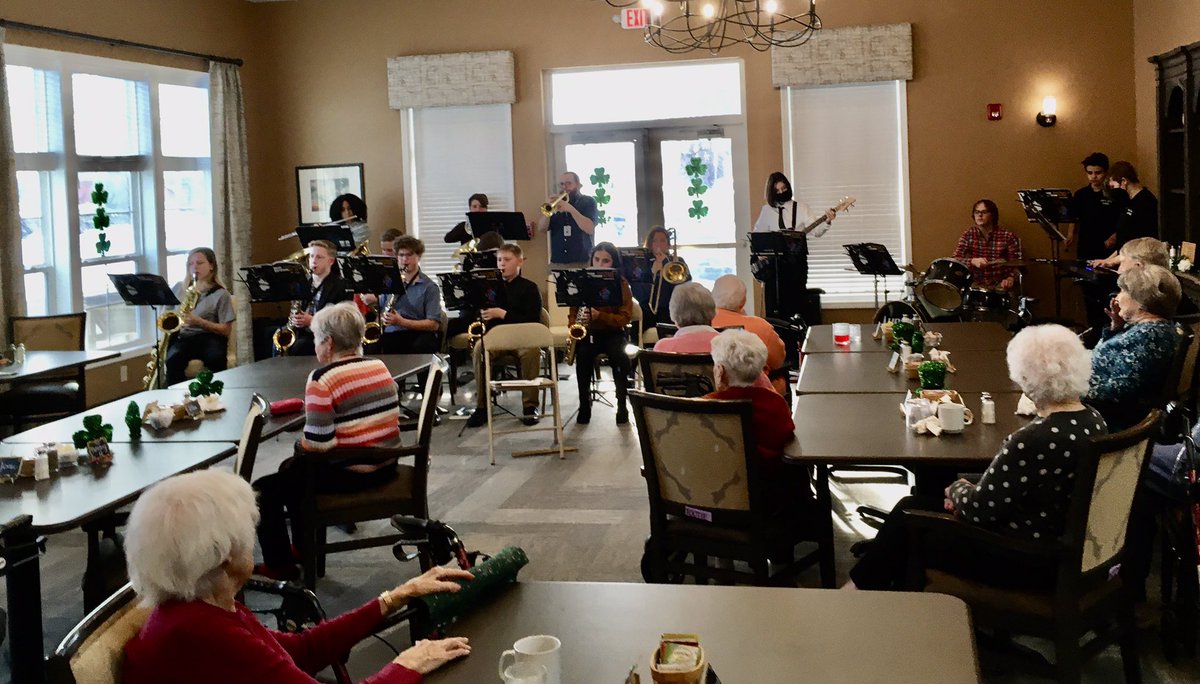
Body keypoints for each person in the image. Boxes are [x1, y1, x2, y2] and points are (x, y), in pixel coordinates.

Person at [123, 469, 471, 683]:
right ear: (226, 555)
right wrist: (408, 664)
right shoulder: (201, 632)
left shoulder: (200, 605)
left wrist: (395, 597)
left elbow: (301, 651)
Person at [846, 324, 1105, 591]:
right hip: (1064, 546)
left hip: (1026, 559)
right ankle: (874, 588)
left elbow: (978, 510)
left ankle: (863, 596)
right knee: (911, 507)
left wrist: (956, 489)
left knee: (909, 521)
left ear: (1027, 378)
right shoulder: (1094, 421)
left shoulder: (1034, 439)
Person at [254, 303, 402, 579]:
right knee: (291, 470)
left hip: (353, 473)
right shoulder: (379, 366)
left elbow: (319, 447)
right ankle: (302, 547)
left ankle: (280, 566)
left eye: (316, 338)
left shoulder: (322, 379)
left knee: (263, 490)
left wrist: (300, 444)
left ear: (329, 342)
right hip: (387, 464)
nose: (314, 345)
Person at [706, 329, 810, 515]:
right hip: (769, 500)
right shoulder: (776, 404)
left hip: (716, 499)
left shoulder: (704, 407)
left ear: (720, 372)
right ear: (763, 369)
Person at [1086, 264, 1180, 432]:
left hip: (1108, 420)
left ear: (1141, 300)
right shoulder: (1151, 328)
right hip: (1098, 407)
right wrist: (1116, 327)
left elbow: (1120, 391)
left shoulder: (1150, 336)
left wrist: (1069, 389)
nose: (1117, 297)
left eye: (1123, 291)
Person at [466, 243, 545, 428]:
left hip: (523, 338)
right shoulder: (489, 287)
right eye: (499, 260)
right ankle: (482, 407)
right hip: (497, 338)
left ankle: (530, 406)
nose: (502, 264)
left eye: (507, 260)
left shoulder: (530, 288)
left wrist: (502, 314)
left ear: (519, 262)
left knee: (532, 353)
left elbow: (533, 320)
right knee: (479, 349)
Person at [751, 172, 836, 319]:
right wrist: (761, 253)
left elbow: (816, 231)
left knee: (796, 305)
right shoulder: (767, 211)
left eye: (784, 189)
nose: (781, 193)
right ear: (771, 193)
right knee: (775, 310)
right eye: (777, 191)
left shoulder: (802, 208)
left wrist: (827, 221)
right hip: (775, 270)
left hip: (796, 266)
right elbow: (758, 237)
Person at [571, 242, 633, 425]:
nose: (599, 264)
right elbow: (573, 310)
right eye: (596, 259)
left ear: (613, 264)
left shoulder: (621, 283)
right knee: (582, 356)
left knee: (620, 357)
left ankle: (622, 406)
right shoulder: (582, 281)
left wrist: (601, 316)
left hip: (613, 332)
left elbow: (624, 318)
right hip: (588, 331)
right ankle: (584, 406)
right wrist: (573, 327)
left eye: (605, 261)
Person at [1068, 153, 1128, 332]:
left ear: (1106, 172)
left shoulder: (1116, 194)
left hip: (1109, 251)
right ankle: (1093, 329)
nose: (1094, 177)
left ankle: (1110, 328)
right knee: (1089, 294)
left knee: (1109, 292)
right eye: (1090, 173)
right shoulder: (1081, 194)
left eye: (1098, 173)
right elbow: (1074, 218)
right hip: (1086, 247)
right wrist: (1070, 235)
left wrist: (1115, 237)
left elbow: (1125, 221)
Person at [165, 247, 235, 385]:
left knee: (215, 358)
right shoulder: (179, 288)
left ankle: (216, 396)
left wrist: (199, 322)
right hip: (184, 337)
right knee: (173, 360)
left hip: (209, 337)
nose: (194, 267)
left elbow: (226, 330)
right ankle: (177, 399)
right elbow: (167, 313)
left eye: (199, 263)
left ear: (211, 266)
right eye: (190, 264)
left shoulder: (221, 294)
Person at [274, 239, 354, 357]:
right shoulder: (303, 282)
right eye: (311, 256)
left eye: (319, 257)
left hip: (325, 336)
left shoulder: (341, 286)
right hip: (302, 332)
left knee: (300, 347)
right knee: (273, 337)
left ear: (331, 261)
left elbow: (341, 321)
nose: (313, 261)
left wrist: (313, 320)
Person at [711, 274, 787, 395]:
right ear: (743, 302)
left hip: (708, 393)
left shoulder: (704, 323)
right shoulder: (760, 326)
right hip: (754, 395)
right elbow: (778, 360)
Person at [378, 236, 442, 355]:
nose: (404, 259)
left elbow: (434, 325)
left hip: (418, 334)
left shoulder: (429, 287)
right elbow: (381, 310)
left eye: (409, 255)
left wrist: (401, 322)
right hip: (392, 333)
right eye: (401, 255)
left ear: (418, 257)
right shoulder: (389, 282)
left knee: (423, 345)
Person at [630, 226, 691, 337]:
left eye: (663, 240)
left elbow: (686, 284)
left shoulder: (677, 261)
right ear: (650, 244)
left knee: (668, 328)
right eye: (655, 241)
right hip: (648, 308)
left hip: (670, 307)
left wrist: (667, 263)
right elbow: (638, 288)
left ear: (668, 244)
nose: (658, 244)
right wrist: (652, 272)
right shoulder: (642, 262)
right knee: (635, 328)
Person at [952, 199, 1022, 291]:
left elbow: (1017, 263)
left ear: (992, 215)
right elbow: (955, 259)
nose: (980, 215)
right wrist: (972, 261)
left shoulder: (1007, 236)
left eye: (984, 212)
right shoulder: (968, 234)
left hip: (1001, 284)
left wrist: (1010, 278)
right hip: (977, 284)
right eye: (977, 212)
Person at [538, 172, 598, 266]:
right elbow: (541, 229)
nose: (564, 187)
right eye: (561, 184)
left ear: (578, 185)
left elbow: (589, 228)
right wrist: (548, 211)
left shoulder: (588, 201)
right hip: (558, 261)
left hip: (582, 260)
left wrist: (570, 209)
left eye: (568, 183)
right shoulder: (557, 203)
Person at [1107, 161, 1159, 251]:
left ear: (1124, 181)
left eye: (1113, 186)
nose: (1113, 191)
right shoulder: (1128, 200)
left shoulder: (1146, 202)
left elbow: (1141, 238)